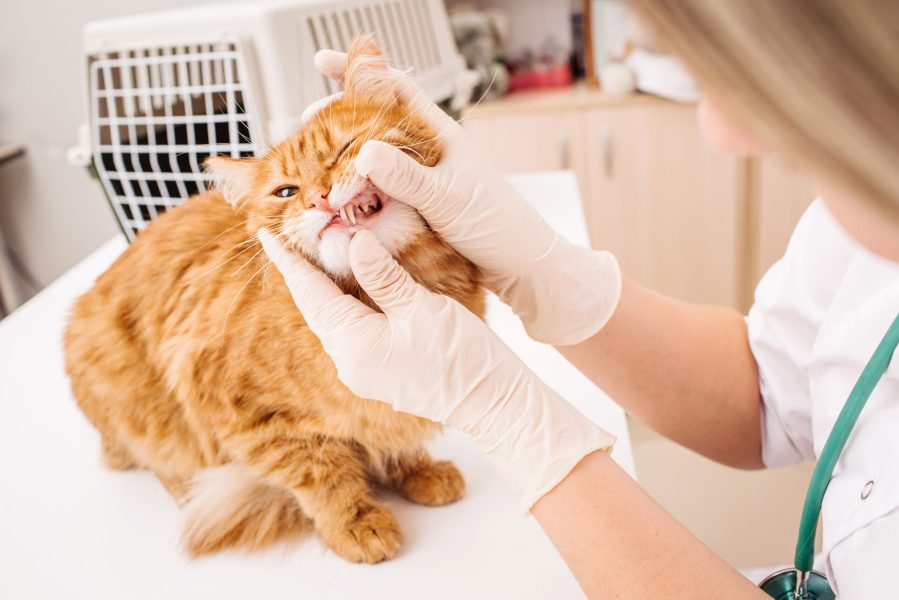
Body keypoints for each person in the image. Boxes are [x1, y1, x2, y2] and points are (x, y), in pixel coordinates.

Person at [259, 2, 899, 597]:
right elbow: (768, 391)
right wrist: (545, 270)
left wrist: (508, 416)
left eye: (770, 68)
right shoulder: (865, 217)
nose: (721, 131)